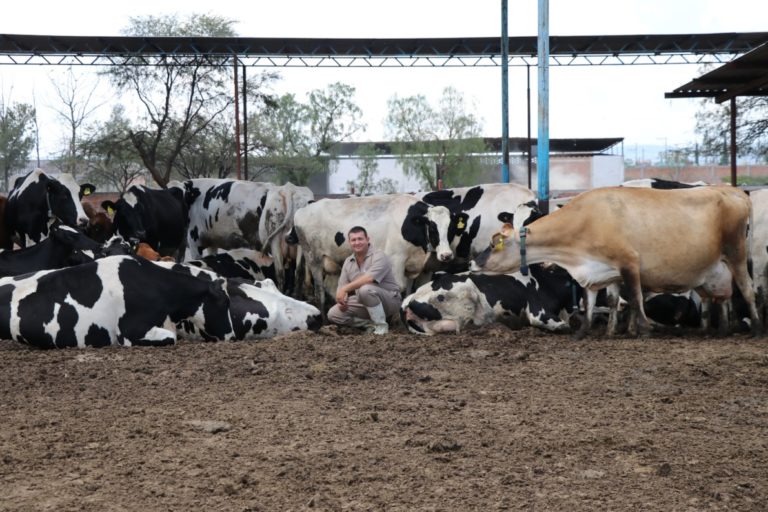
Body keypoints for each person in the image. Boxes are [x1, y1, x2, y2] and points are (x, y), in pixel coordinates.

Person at [327, 226, 402, 334]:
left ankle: (381, 328)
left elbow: (369, 279)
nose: (357, 242)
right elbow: (342, 286)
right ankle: (370, 325)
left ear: (367, 239)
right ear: (349, 242)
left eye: (360, 239)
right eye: (353, 240)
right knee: (333, 314)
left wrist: (345, 289)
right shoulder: (348, 262)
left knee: (365, 289)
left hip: (390, 300)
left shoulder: (379, 256)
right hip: (364, 301)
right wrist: (341, 300)